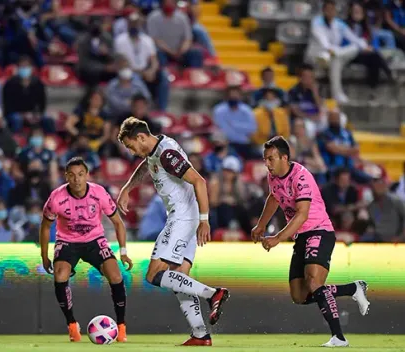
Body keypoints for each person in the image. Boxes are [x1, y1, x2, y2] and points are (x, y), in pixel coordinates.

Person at [116, 117, 229, 346]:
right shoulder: (157, 148)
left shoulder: (167, 155)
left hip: (182, 218)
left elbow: (199, 181)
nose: (131, 151)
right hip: (186, 217)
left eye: (130, 145)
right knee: (179, 278)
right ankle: (200, 334)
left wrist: (204, 220)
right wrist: (128, 187)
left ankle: (213, 293)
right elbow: (147, 164)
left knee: (154, 274)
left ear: (140, 137)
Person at [251, 136, 370, 348]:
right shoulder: (274, 177)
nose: (266, 164)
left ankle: (339, 338)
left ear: (284, 158)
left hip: (319, 231)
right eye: (265, 159)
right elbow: (274, 197)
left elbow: (302, 214)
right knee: (299, 296)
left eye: (270, 159)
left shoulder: (301, 177)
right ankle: (353, 289)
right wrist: (261, 224)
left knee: (314, 283)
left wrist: (278, 237)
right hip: (302, 236)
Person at [40, 157, 132, 343]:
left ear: (87, 175)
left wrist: (123, 252)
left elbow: (117, 223)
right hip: (67, 241)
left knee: (116, 276)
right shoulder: (56, 197)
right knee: (60, 275)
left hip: (95, 240)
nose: (77, 179)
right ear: (66, 176)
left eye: (81, 175)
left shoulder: (99, 193)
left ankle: (121, 326)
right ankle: (72, 325)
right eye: (72, 175)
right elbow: (45, 227)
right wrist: (44, 255)